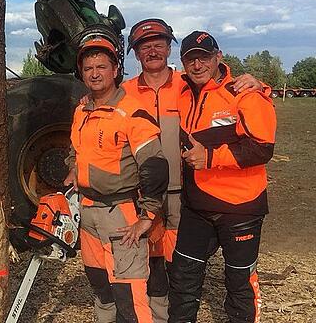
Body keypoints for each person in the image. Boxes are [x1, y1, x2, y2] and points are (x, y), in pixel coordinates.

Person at [121, 19, 264, 323]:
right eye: (144, 46)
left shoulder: (186, 85)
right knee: (152, 260)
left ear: (170, 48)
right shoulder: (124, 92)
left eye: (159, 43)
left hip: (185, 194)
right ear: (135, 53)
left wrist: (259, 85)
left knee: (180, 267)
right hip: (145, 193)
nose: (153, 50)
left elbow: (227, 88)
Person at [168, 31, 276, 323]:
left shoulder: (245, 94)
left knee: (240, 284)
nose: (198, 65)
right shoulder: (182, 91)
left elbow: (262, 149)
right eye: (190, 59)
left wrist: (211, 158)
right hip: (197, 205)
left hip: (240, 207)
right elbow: (148, 85)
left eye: (204, 57)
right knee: (182, 278)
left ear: (218, 57)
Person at [67, 27, 169, 323]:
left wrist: (147, 217)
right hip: (88, 213)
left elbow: (155, 166)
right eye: (88, 68)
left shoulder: (132, 112)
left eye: (101, 67)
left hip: (121, 213)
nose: (94, 73)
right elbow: (74, 149)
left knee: (129, 297)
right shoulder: (82, 110)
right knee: (102, 291)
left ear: (115, 70)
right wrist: (71, 170)